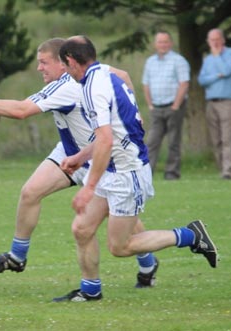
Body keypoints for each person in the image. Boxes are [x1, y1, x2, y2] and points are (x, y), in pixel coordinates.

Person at [0, 37, 158, 288]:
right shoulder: (83, 76)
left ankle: (147, 264)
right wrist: (131, 114)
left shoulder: (65, 86)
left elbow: (20, 110)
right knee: (30, 192)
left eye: (44, 63)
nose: (40, 68)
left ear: (63, 63)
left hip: (98, 156)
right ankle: (17, 257)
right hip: (71, 151)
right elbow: (122, 74)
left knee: (120, 217)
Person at [53, 36, 217, 302]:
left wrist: (88, 188)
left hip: (126, 175)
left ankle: (190, 235)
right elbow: (113, 130)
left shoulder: (91, 88)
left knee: (120, 246)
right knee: (82, 229)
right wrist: (81, 156)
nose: (64, 69)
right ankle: (90, 291)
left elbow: (106, 139)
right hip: (112, 167)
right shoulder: (106, 73)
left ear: (71, 62)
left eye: (63, 64)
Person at [142, 31, 190, 180]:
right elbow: (146, 83)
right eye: (160, 42)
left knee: (173, 141)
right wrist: (149, 104)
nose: (162, 45)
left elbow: (184, 83)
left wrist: (176, 105)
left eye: (165, 42)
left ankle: (172, 173)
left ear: (170, 43)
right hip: (156, 107)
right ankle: (146, 172)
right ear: (155, 44)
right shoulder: (150, 61)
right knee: (152, 141)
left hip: (174, 106)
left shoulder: (179, 60)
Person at [198, 28, 231, 180]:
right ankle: (222, 167)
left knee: (227, 137)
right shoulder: (208, 59)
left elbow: (226, 70)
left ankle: (227, 171)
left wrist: (218, 57)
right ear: (208, 42)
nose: (215, 42)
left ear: (223, 40)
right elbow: (202, 80)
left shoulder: (228, 54)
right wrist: (217, 75)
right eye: (212, 40)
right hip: (211, 102)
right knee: (216, 138)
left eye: (217, 39)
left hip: (227, 102)